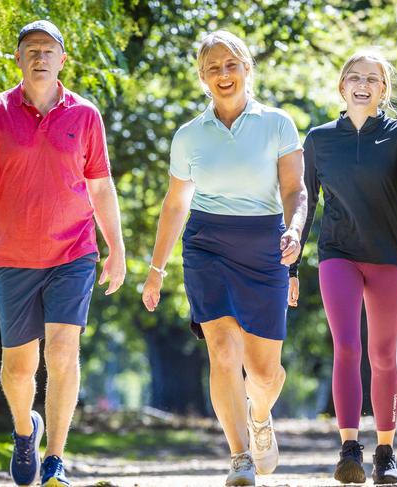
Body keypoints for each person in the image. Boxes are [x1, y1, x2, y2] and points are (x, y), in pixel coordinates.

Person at [0, 20, 126, 487]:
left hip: (73, 252)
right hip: (12, 258)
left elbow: (101, 186)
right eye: (31, 49)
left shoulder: (85, 114)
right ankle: (23, 430)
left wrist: (117, 248)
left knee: (62, 350)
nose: (39, 57)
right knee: (18, 367)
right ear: (18, 59)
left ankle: (55, 457)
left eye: (48, 50)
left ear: (62, 60)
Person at [140, 30, 306, 486]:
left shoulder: (277, 124)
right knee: (222, 350)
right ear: (202, 77)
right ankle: (239, 458)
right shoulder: (189, 136)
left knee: (266, 373)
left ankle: (260, 417)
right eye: (213, 68)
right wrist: (155, 272)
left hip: (265, 243)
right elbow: (175, 205)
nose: (223, 74)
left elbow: (295, 189)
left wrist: (294, 231)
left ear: (247, 69)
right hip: (208, 244)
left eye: (231, 64)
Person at [290, 50, 397, 485]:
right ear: (342, 86)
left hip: (390, 257)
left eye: (372, 79)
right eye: (354, 77)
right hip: (338, 253)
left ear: (383, 90)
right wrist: (292, 266)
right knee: (347, 349)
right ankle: (350, 448)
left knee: (382, 354)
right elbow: (305, 201)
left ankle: (386, 453)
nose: (362, 84)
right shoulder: (319, 139)